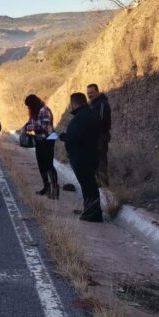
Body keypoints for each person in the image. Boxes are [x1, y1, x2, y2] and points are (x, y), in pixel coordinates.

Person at [60, 93, 103, 222]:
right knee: (90, 184)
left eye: (71, 105)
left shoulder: (80, 118)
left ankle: (93, 213)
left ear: (75, 104)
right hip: (93, 154)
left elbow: (74, 137)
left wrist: (63, 136)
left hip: (81, 157)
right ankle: (89, 209)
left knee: (88, 185)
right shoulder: (93, 114)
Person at [24, 94, 59, 200]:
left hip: (48, 140)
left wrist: (28, 127)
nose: (28, 108)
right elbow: (31, 123)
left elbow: (43, 126)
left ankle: (55, 190)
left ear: (33, 104)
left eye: (29, 105)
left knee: (48, 165)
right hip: (39, 140)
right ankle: (46, 187)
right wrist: (26, 126)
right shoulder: (35, 112)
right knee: (41, 165)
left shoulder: (44, 110)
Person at [87, 83, 111, 187]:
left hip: (100, 136)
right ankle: (99, 183)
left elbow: (100, 121)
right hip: (94, 137)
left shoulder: (101, 104)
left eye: (92, 92)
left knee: (101, 160)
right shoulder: (93, 104)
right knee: (95, 160)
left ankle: (104, 185)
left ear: (97, 91)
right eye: (88, 93)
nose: (90, 95)